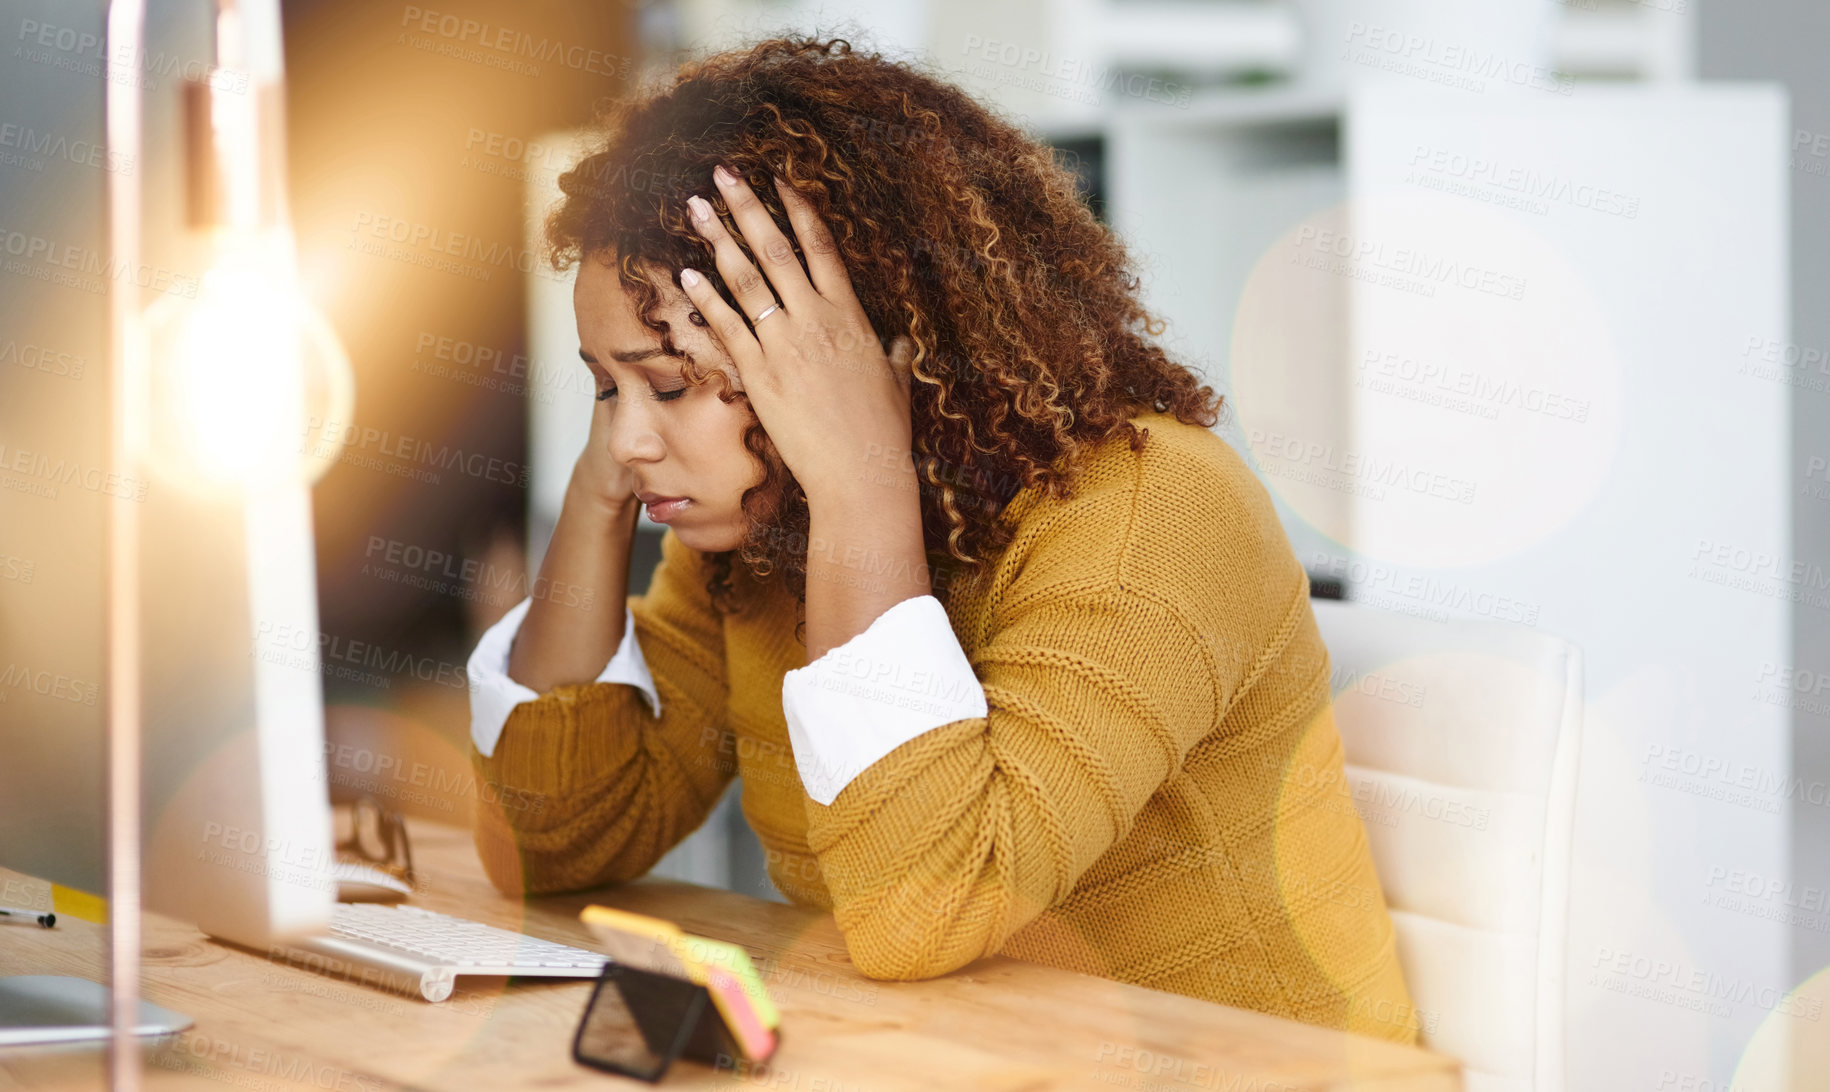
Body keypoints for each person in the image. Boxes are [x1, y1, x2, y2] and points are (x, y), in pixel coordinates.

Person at [466, 35, 1421, 1044]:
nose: (629, 436)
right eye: (603, 386)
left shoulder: (1152, 510)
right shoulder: (755, 545)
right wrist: (598, 490)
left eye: (667, 385)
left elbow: (931, 907)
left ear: (858, 346)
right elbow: (556, 843)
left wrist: (858, 482)